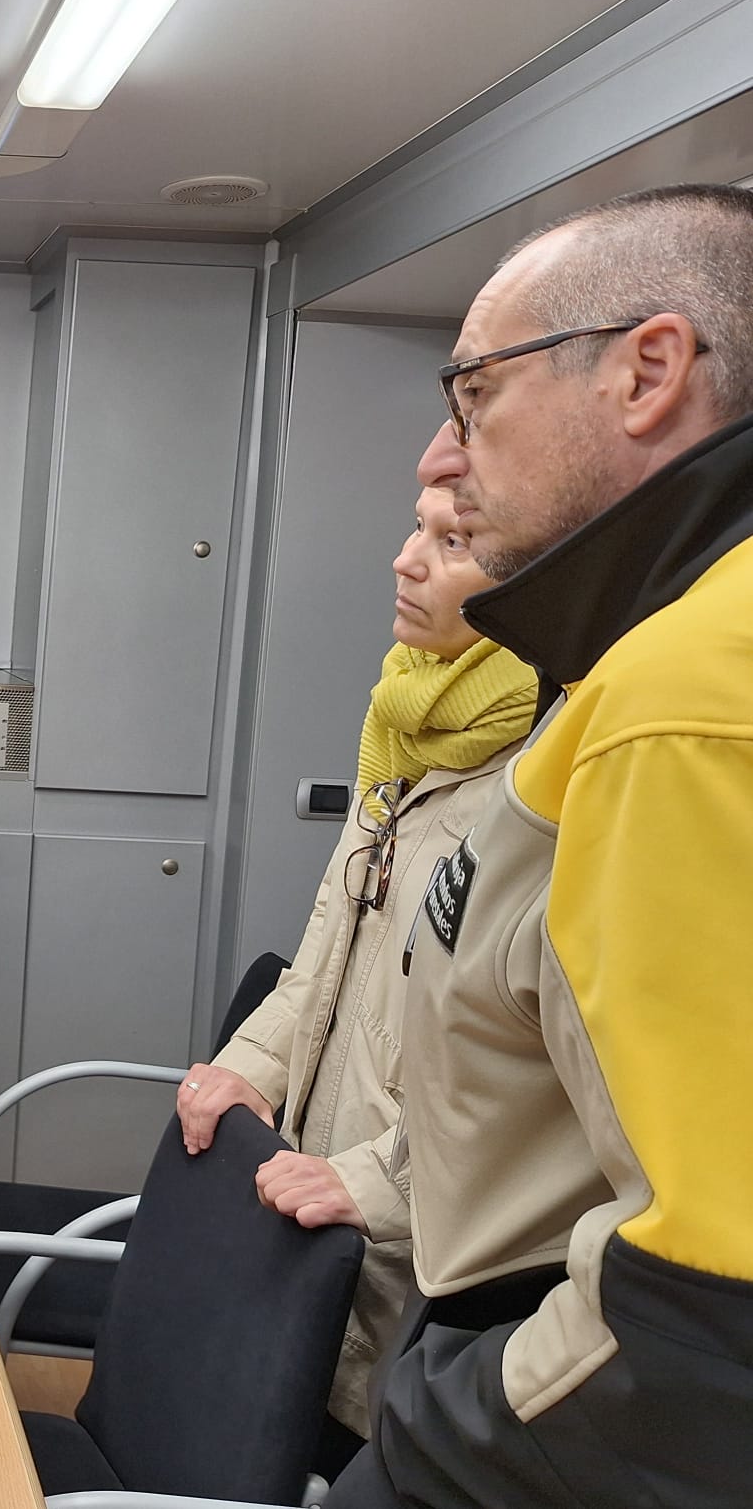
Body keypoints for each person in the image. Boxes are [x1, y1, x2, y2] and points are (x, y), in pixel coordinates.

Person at [329, 183, 753, 1506]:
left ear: (650, 371)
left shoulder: (680, 697)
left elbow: (702, 1308)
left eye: (474, 397)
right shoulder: (644, 660)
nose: (437, 461)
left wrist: (439, 1425)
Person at [175, 483, 537, 1458]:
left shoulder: (543, 785)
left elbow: (542, 1090)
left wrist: (377, 1183)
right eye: (416, 528)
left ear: (530, 584)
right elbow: (325, 955)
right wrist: (252, 1064)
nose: (406, 559)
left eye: (452, 541)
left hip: (419, 1248)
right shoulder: (407, 726)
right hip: (320, 1226)